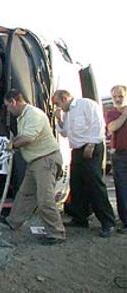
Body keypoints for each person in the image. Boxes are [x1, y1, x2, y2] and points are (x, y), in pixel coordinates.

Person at [1, 89, 65, 245]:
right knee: (25, 194)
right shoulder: (23, 116)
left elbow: (29, 137)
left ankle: (56, 233)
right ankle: (13, 221)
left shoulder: (33, 114)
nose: (8, 110)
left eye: (8, 106)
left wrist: (12, 145)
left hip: (45, 160)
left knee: (45, 198)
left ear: (13, 102)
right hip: (36, 161)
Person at [52, 90, 116, 237]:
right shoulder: (67, 113)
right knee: (77, 183)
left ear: (65, 98)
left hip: (90, 146)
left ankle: (108, 221)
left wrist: (92, 143)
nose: (58, 107)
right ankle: (80, 217)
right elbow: (65, 133)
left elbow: (98, 123)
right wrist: (59, 120)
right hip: (77, 149)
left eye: (58, 103)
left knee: (95, 184)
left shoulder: (86, 104)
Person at [105, 85, 127, 234]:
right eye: (115, 97)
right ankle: (125, 221)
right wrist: (125, 114)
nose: (118, 99)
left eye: (121, 96)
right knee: (122, 188)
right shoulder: (111, 113)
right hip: (119, 155)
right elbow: (112, 127)